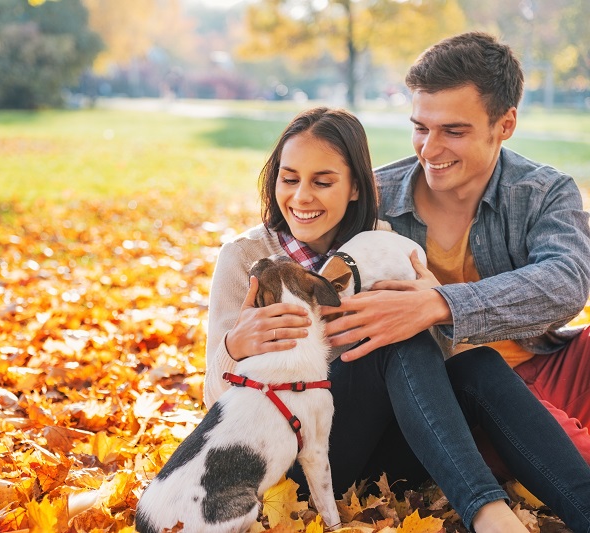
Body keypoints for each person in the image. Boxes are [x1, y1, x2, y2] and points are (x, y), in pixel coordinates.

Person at [203, 106, 590, 532]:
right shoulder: (245, 258)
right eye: (289, 178)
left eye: (323, 181)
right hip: (296, 459)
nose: (301, 197)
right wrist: (233, 347)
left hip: (388, 454)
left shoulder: (380, 244)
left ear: (356, 188)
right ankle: (487, 514)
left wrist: (431, 303)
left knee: (475, 363)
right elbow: (215, 405)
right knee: (395, 342)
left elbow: (431, 375)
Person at [320, 32, 590, 470]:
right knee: (572, 464)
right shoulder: (374, 197)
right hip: (458, 400)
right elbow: (294, 233)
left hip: (543, 362)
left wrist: (440, 304)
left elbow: (566, 281)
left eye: (454, 131)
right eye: (421, 127)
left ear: (505, 124)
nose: (430, 148)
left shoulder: (543, 191)